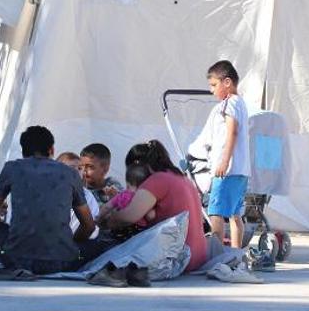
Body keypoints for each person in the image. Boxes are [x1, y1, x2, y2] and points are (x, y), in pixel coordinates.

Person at [0, 126, 105, 278]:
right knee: (100, 242)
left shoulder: (12, 168)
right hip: (63, 261)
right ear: (52, 150)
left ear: (23, 151)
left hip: (16, 259)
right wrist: (71, 245)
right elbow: (89, 226)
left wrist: (5, 229)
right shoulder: (70, 174)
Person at [104, 140, 207, 272]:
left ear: (137, 165)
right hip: (198, 257)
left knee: (102, 250)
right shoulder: (182, 178)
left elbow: (129, 216)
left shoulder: (157, 180)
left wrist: (109, 220)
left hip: (177, 259)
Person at [200, 60, 251, 249]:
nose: (212, 90)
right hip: (240, 170)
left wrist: (224, 160)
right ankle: (236, 255)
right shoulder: (241, 103)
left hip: (227, 170)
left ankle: (218, 253)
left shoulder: (229, 103)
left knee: (216, 212)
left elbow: (232, 132)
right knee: (235, 214)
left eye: (214, 85)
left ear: (227, 82)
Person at [56, 152, 100, 238]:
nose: (76, 171)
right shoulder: (51, 191)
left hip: (83, 238)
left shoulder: (87, 195)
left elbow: (91, 226)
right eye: (71, 168)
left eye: (80, 168)